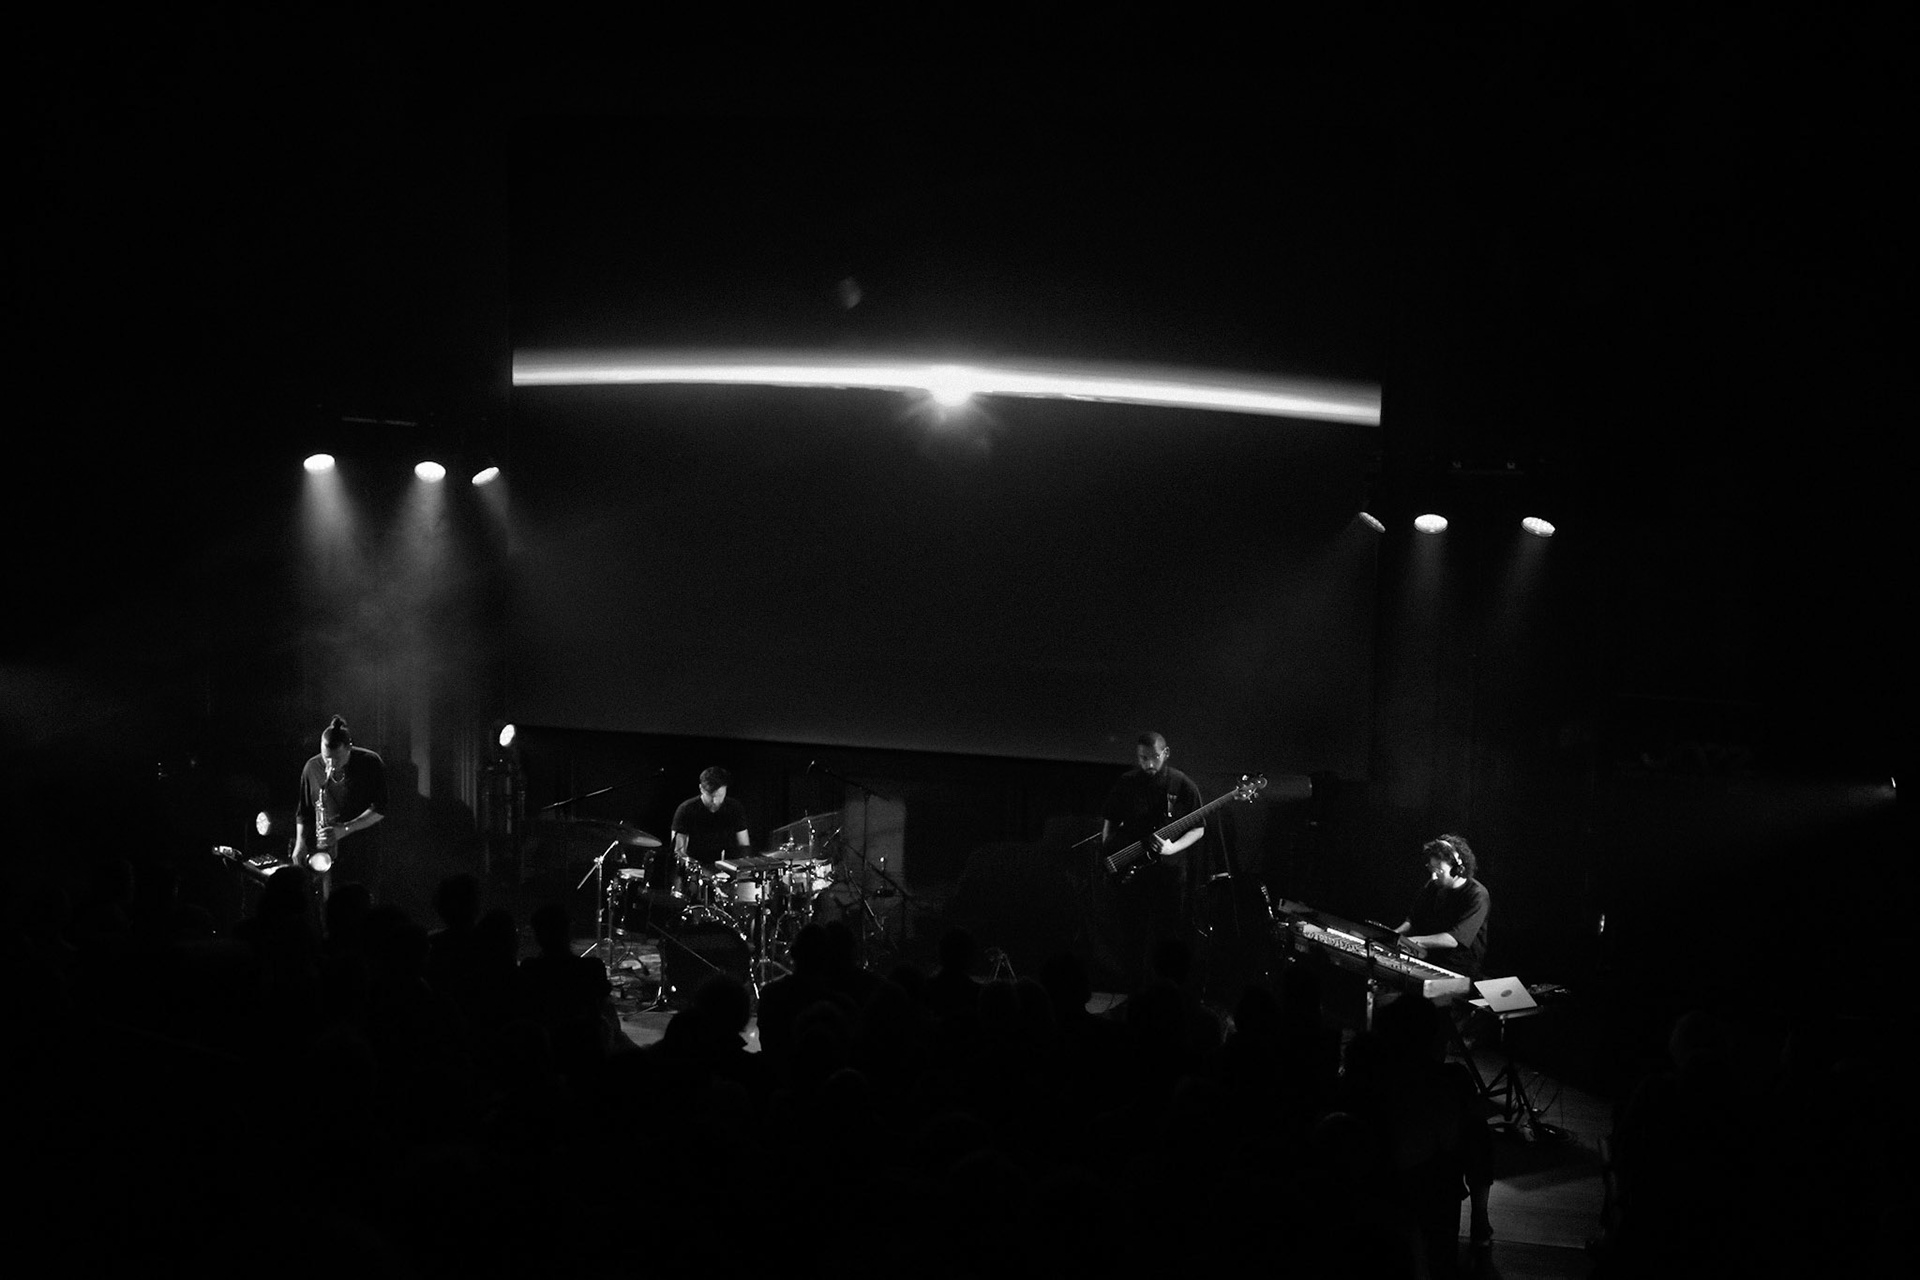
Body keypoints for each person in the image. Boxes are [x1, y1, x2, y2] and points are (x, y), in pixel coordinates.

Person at [1099, 732, 1206, 989]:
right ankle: (1135, 992)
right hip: (1133, 873)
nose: (1148, 764)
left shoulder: (1181, 784)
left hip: (1169, 874)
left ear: (1165, 753)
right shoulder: (1127, 783)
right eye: (1142, 758)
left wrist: (1173, 847)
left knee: (1167, 936)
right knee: (1131, 936)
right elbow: (1110, 821)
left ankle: (1166, 991)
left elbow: (1199, 827)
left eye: (1154, 757)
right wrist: (1111, 854)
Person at [292, 715, 389, 902]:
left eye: (336, 759)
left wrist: (344, 829)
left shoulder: (370, 762)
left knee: (364, 903)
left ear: (349, 748)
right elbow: (303, 812)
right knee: (331, 904)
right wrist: (300, 843)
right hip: (327, 855)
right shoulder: (311, 767)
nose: (330, 765)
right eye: (326, 758)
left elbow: (380, 808)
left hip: (363, 850)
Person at [1393, 834, 1491, 979]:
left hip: (1457, 969)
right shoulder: (1433, 886)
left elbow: (1453, 939)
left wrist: (1411, 942)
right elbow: (1413, 921)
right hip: (1428, 960)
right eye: (1431, 868)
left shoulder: (1477, 895)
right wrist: (1393, 935)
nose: (1433, 876)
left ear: (1458, 870)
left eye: (1439, 870)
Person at [671, 767, 751, 869]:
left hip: (728, 868)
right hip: (696, 868)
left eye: (720, 795)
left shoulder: (735, 808)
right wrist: (693, 867)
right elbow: (678, 851)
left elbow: (744, 845)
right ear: (701, 788)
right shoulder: (686, 810)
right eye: (710, 796)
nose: (715, 801)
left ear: (726, 789)